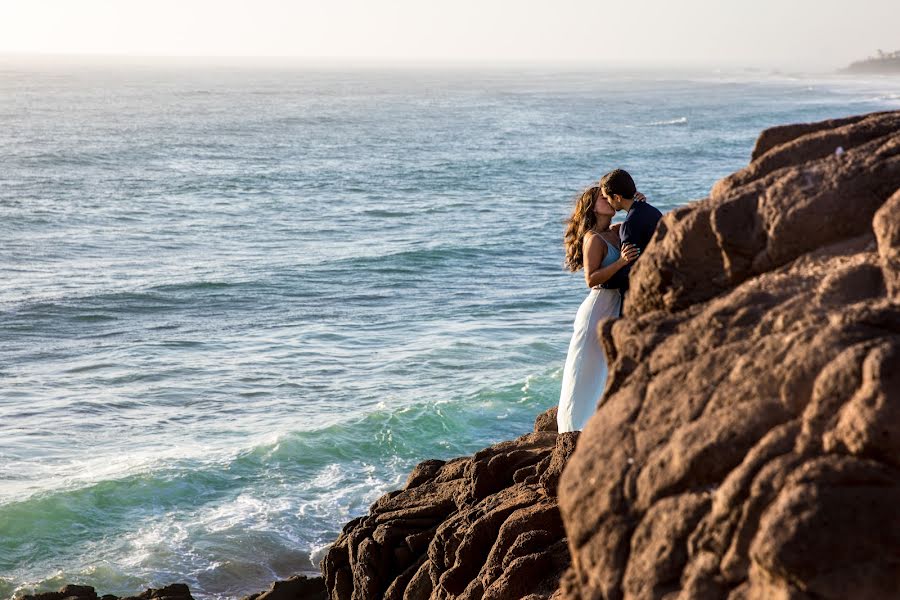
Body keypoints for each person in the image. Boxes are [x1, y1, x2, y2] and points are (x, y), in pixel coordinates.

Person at [557, 185, 642, 433]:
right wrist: (622, 262)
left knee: (605, 366)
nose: (607, 199)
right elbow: (591, 278)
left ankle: (599, 421)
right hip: (596, 308)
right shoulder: (593, 239)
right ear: (593, 207)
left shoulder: (617, 231)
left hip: (615, 304)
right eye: (601, 198)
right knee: (585, 368)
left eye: (608, 195)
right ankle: (573, 426)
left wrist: (635, 203)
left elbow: (637, 223)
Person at [599, 169, 663, 313]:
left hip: (637, 299)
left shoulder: (629, 224)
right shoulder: (652, 211)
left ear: (616, 197)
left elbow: (630, 268)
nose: (608, 203)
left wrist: (605, 283)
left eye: (607, 198)